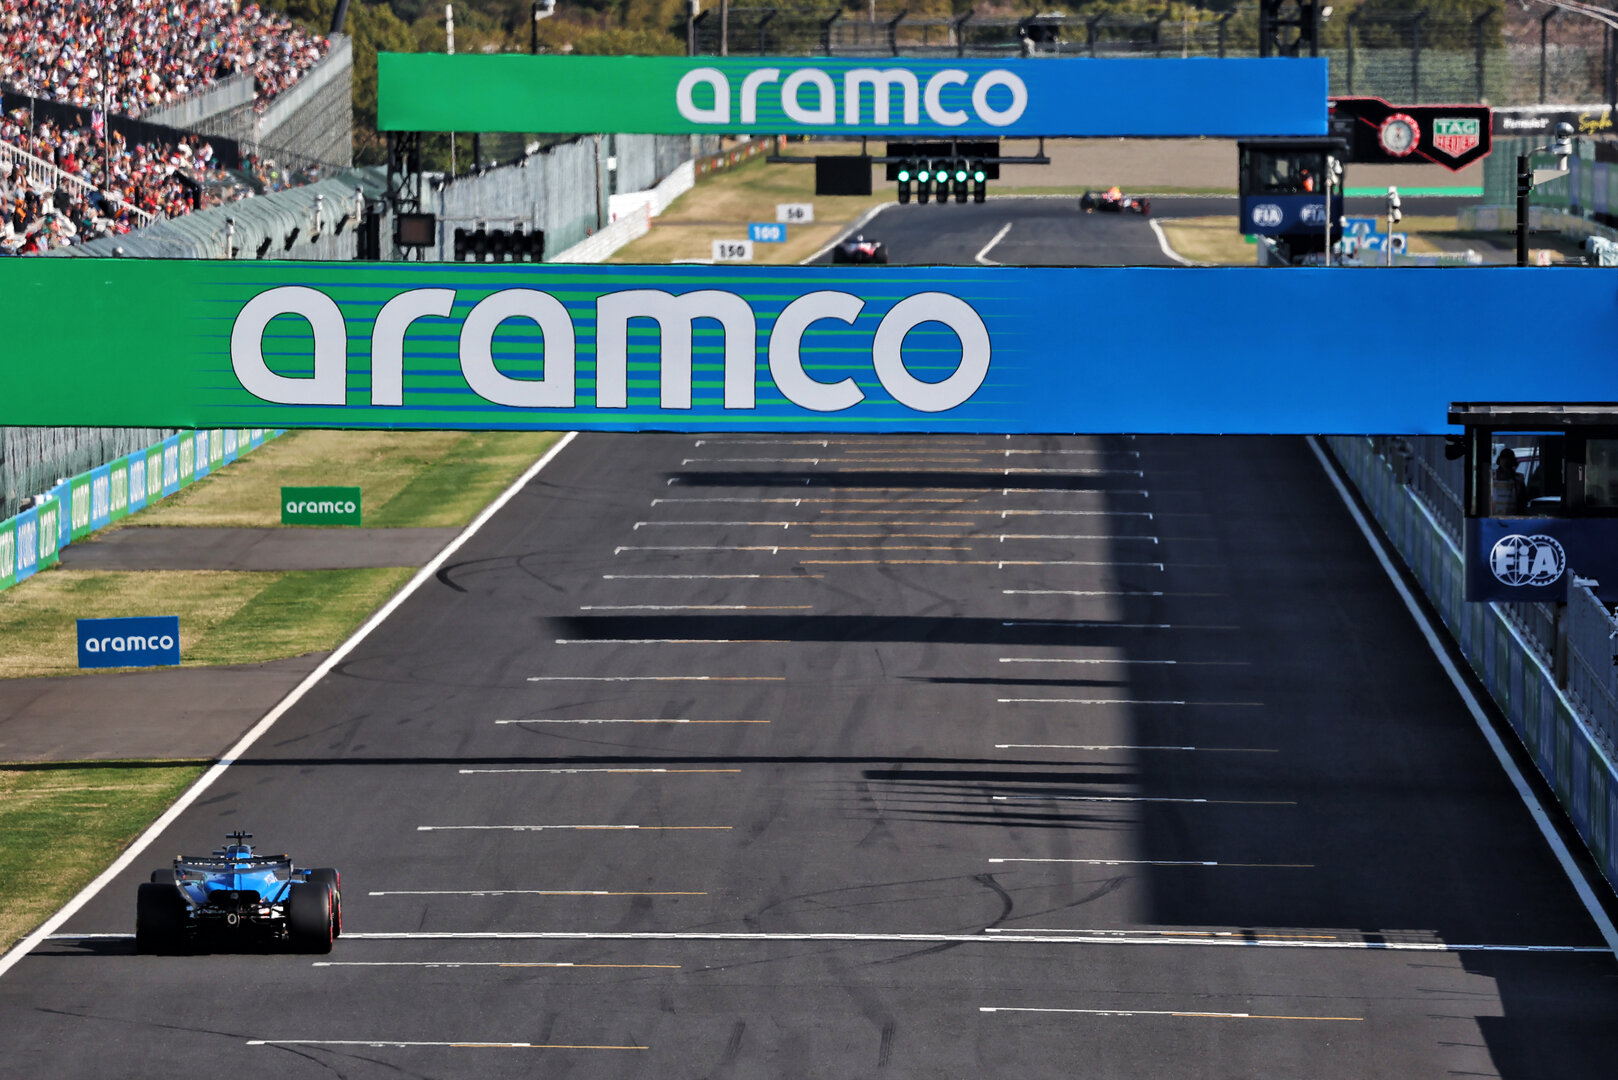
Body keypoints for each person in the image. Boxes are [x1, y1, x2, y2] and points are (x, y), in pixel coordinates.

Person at [1493, 448, 1525, 516]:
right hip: (1494, 518)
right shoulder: (1491, 477)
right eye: (1504, 458)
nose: (1506, 461)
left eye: (1508, 458)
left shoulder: (1518, 479)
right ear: (1499, 460)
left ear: (1512, 461)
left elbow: (1522, 501)